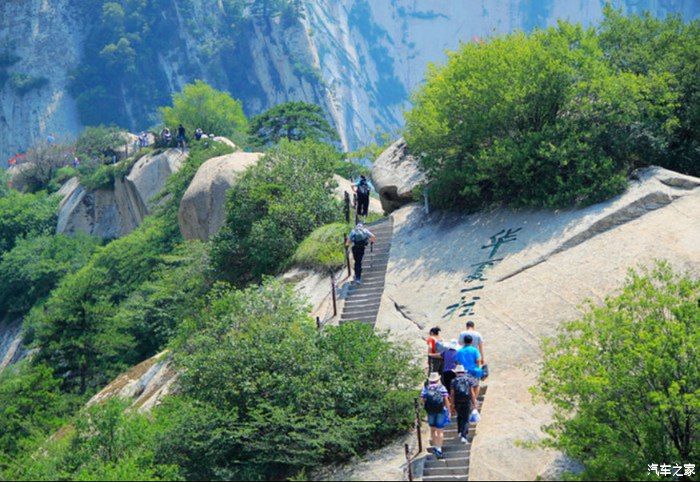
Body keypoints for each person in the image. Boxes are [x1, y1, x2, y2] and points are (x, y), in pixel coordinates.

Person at [421, 372, 450, 459]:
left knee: (433, 430)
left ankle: (434, 446)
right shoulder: (441, 387)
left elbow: (422, 399)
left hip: (430, 412)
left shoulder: (426, 388)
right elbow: (446, 399)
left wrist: (427, 406)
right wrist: (448, 410)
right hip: (441, 411)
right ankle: (439, 449)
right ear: (438, 379)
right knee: (440, 431)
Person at [450, 365, 479, 443]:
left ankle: (459, 431)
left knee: (460, 416)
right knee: (466, 419)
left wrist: (452, 405)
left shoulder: (453, 381)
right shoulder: (468, 380)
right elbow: (471, 392)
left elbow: (452, 394)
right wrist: (474, 402)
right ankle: (464, 435)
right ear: (463, 372)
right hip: (467, 401)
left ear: (456, 373)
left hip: (457, 402)